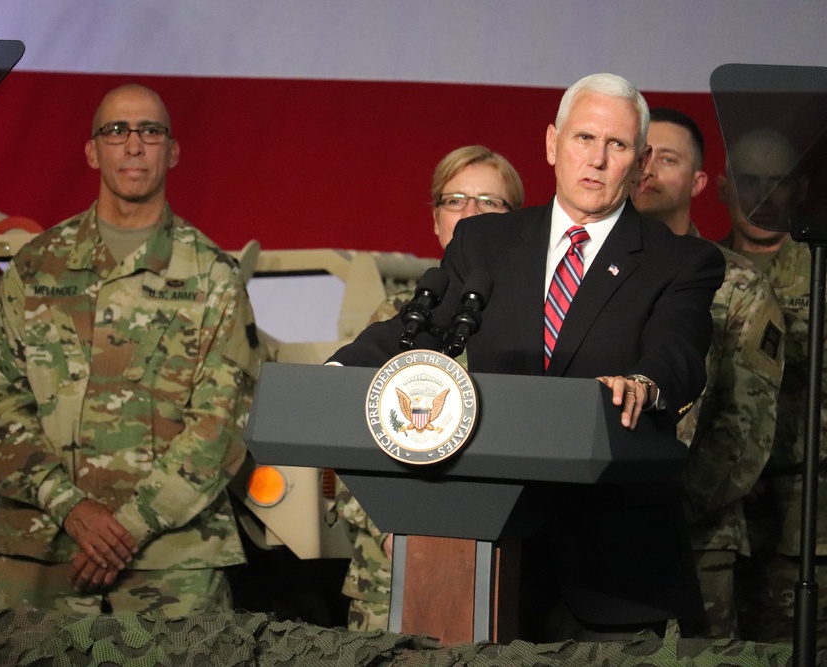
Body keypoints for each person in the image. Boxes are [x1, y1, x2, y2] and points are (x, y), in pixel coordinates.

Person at [329, 73, 725, 640]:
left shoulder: (682, 261)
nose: (596, 159)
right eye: (583, 138)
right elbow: (421, 328)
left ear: (639, 164)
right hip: (493, 553)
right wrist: (338, 373)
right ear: (551, 145)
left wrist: (646, 380)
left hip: (614, 570)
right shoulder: (485, 241)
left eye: (616, 146)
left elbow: (679, 351)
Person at [0, 83, 262, 615]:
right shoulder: (36, 268)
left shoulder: (213, 276)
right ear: (92, 151)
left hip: (171, 562)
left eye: (150, 131)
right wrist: (73, 510)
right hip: (46, 551)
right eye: (116, 131)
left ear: (172, 152)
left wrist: (130, 527)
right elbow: (1, 407)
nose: (133, 144)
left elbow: (220, 426)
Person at [335, 145, 524, 631]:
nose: (470, 214)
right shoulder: (394, 320)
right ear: (435, 217)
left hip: (501, 566)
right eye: (455, 199)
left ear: (517, 223)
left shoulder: (531, 323)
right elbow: (345, 443)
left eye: (489, 202)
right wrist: (390, 527)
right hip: (390, 568)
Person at [632, 108, 784, 638]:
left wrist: (660, 509)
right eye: (641, 155)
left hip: (693, 536)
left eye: (666, 159)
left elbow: (743, 435)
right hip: (591, 534)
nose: (648, 170)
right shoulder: (585, 275)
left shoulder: (737, 285)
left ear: (699, 181)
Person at [716, 128, 827, 644]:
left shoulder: (822, 270)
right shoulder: (696, 271)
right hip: (716, 511)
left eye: (776, 181)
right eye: (747, 179)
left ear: (801, 188)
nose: (761, 194)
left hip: (803, 516)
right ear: (722, 186)